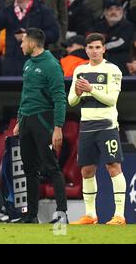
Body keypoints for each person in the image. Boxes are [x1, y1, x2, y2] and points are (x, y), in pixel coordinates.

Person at [69, 33, 127, 226]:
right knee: (86, 170)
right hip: (86, 125)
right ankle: (91, 215)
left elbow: (112, 99)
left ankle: (119, 215)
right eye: (90, 47)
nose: (94, 51)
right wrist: (77, 92)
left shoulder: (113, 70)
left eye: (97, 47)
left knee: (113, 167)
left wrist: (91, 89)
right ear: (86, 49)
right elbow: (71, 101)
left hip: (107, 125)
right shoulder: (80, 70)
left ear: (104, 49)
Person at [12, 28, 68, 224]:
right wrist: (19, 121)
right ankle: (31, 216)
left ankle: (62, 215)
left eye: (23, 41)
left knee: (52, 167)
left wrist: (58, 127)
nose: (20, 45)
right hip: (26, 120)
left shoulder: (52, 65)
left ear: (32, 44)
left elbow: (60, 98)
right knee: (29, 169)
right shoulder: (28, 64)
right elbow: (25, 94)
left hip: (43, 120)